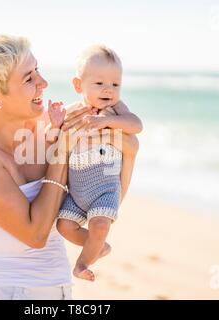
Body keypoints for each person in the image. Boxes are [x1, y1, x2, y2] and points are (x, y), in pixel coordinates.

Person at [0, 34, 140, 299]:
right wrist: (61, 151)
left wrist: (129, 154)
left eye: (37, 70)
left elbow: (104, 197)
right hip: (4, 292)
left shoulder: (53, 125)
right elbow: (36, 234)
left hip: (58, 290)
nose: (44, 83)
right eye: (29, 78)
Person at [50, 45, 143, 282]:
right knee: (64, 226)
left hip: (105, 189)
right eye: (100, 83)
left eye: (115, 84)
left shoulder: (115, 110)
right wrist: (55, 123)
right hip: (77, 190)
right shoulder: (73, 112)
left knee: (100, 225)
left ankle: (82, 264)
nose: (109, 90)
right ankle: (97, 247)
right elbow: (53, 141)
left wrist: (108, 122)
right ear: (78, 85)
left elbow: (136, 126)